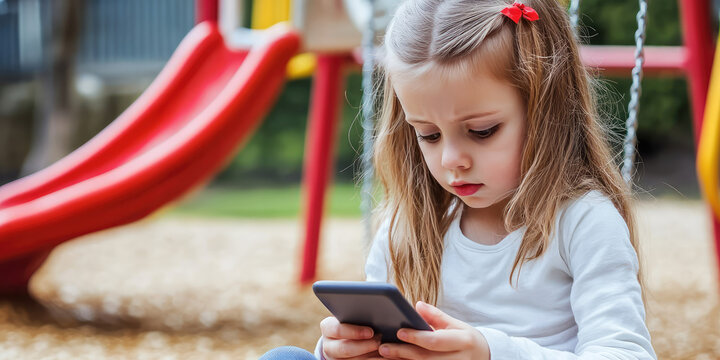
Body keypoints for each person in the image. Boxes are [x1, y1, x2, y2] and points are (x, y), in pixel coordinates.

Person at [260, 0, 656, 359]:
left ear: (544, 110)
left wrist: (492, 353)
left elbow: (627, 354)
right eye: (428, 135)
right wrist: (342, 347)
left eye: (482, 131)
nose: (452, 160)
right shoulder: (411, 224)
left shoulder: (582, 221)